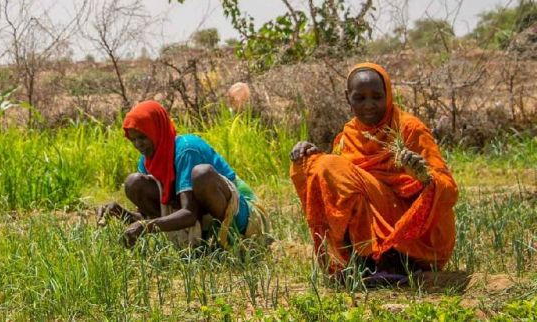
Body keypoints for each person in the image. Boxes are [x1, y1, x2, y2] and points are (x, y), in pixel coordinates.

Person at [289, 62, 458, 276]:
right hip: (374, 246)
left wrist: (423, 178)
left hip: (416, 242)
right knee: (317, 167)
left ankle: (390, 260)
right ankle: (361, 262)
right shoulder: (349, 136)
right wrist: (311, 157)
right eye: (360, 98)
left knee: (328, 165)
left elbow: (449, 191)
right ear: (347, 97)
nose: (369, 105)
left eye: (377, 97)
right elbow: (338, 186)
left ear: (388, 94)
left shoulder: (409, 129)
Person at [97, 100, 270, 248]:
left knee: (201, 174)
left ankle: (232, 243)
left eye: (142, 137)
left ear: (156, 131)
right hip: (203, 219)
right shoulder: (148, 160)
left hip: (244, 216)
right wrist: (120, 214)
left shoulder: (186, 149)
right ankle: (197, 246)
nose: (138, 144)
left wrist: (146, 227)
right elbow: (151, 218)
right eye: (133, 139)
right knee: (134, 182)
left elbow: (189, 213)